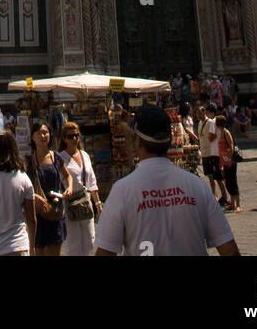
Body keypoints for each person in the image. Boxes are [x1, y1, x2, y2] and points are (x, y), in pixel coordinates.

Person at [94, 106, 239, 257]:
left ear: (137, 142)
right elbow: (229, 250)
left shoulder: (122, 190)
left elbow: (105, 251)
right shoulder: (197, 186)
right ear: (170, 141)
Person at [58, 122, 102, 256]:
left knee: (90, 241)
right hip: (69, 204)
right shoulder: (60, 158)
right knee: (73, 244)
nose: (75, 139)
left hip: (85, 203)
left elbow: (92, 181)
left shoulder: (85, 155)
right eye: (71, 136)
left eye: (77, 136)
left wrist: (98, 203)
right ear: (64, 139)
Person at [28, 119, 68, 257]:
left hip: (55, 211)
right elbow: (23, 187)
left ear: (50, 135)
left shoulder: (55, 156)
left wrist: (68, 189)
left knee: (55, 251)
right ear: (32, 137)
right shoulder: (29, 160)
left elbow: (67, 176)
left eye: (45, 132)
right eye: (39, 133)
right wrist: (34, 197)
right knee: (39, 251)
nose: (42, 136)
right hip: (37, 213)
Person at [199, 105, 228, 206]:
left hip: (214, 152)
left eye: (206, 112)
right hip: (217, 152)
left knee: (217, 177)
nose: (206, 114)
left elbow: (210, 137)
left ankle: (224, 196)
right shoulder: (216, 123)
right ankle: (224, 196)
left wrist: (211, 137)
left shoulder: (212, 123)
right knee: (218, 176)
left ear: (211, 112)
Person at [216, 114, 241, 212]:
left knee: (233, 181)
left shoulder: (226, 132)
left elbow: (231, 145)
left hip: (230, 161)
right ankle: (232, 203)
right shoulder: (221, 133)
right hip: (225, 161)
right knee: (228, 183)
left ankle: (238, 204)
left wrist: (230, 159)